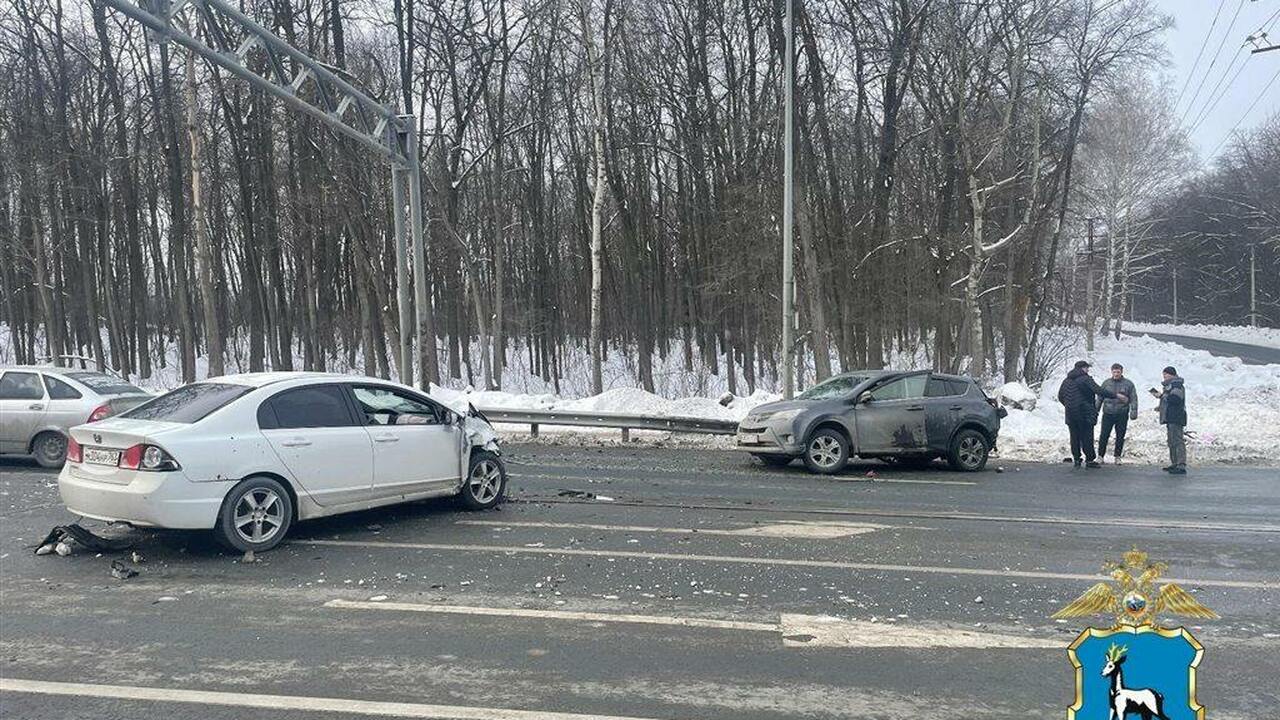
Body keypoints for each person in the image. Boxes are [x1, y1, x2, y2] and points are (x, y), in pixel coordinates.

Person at [1058, 360, 1123, 469]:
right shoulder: (1085, 379)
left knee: (1074, 436)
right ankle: (1089, 459)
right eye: (1087, 368)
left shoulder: (1066, 381)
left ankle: (1077, 459)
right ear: (1083, 368)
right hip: (1084, 413)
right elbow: (1098, 390)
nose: (1088, 370)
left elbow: (1060, 396)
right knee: (1087, 436)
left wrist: (1069, 405)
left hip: (1070, 414)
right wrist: (1115, 395)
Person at [1096, 363, 1138, 464]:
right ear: (1111, 372)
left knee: (1120, 435)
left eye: (1118, 372)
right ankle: (1100, 456)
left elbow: (1134, 398)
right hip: (1108, 413)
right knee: (1104, 435)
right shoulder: (1106, 383)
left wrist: (1134, 411)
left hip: (1122, 413)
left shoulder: (1128, 384)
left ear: (1121, 372)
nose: (1116, 374)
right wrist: (1095, 410)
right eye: (1114, 372)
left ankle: (1117, 456)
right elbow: (1100, 397)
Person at [1152, 366, 1187, 475]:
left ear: (1172, 374)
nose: (1164, 377)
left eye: (1166, 375)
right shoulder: (1169, 386)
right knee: (1171, 441)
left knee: (1177, 440)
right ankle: (1174, 463)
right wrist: (1161, 407)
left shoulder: (1176, 385)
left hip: (1176, 417)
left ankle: (1181, 464)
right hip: (1170, 417)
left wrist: (1161, 396)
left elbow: (1175, 399)